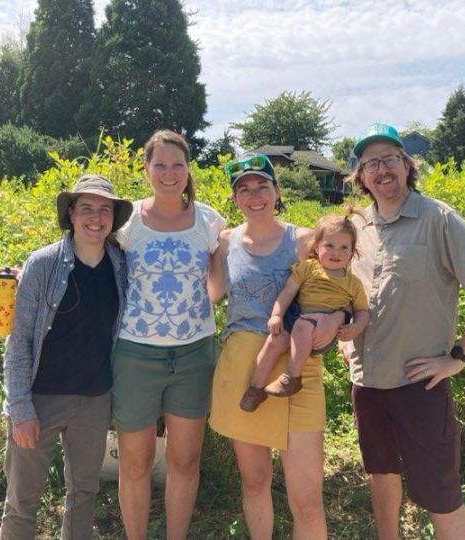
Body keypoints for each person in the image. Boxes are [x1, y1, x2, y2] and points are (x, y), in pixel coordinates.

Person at [341, 123, 465, 540]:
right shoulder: (356, 227)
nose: (382, 170)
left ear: (406, 166)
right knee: (381, 473)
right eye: (371, 164)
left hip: (420, 384)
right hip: (367, 383)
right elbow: (345, 289)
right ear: (361, 177)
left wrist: (459, 356)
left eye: (390, 159)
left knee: (440, 492)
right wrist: (345, 343)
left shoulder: (438, 218)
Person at [209, 153, 346, 540]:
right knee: (255, 483)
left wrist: (338, 318)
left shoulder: (304, 240)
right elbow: (209, 295)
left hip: (296, 373)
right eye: (244, 189)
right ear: (234, 198)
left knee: (307, 500)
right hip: (244, 371)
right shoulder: (225, 242)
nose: (254, 196)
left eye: (262, 186)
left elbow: (343, 289)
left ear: (277, 190)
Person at [0, 175, 133, 540]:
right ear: (71, 214)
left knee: (84, 493)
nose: (96, 218)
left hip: (94, 399)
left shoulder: (120, 264)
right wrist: (20, 408)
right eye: (86, 208)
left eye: (104, 210)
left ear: (113, 218)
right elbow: (19, 340)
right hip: (40, 398)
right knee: (22, 498)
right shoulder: (42, 264)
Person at [111, 129, 226, 540]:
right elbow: (86, 255)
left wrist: (208, 296)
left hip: (194, 356)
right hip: (134, 355)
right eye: (159, 164)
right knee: (134, 463)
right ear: (146, 169)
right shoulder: (125, 221)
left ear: (188, 168)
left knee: (185, 462)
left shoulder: (209, 221)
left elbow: (219, 274)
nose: (169, 173)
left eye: (177, 164)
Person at [239, 213, 370, 411]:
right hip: (296, 319)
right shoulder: (308, 268)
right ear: (317, 246)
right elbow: (288, 292)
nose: (336, 252)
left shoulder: (353, 283)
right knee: (274, 342)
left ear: (352, 251)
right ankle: (255, 388)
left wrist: (356, 327)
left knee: (303, 325)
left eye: (344, 247)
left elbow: (363, 311)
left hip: (322, 332)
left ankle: (292, 377)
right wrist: (277, 315)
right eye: (329, 245)